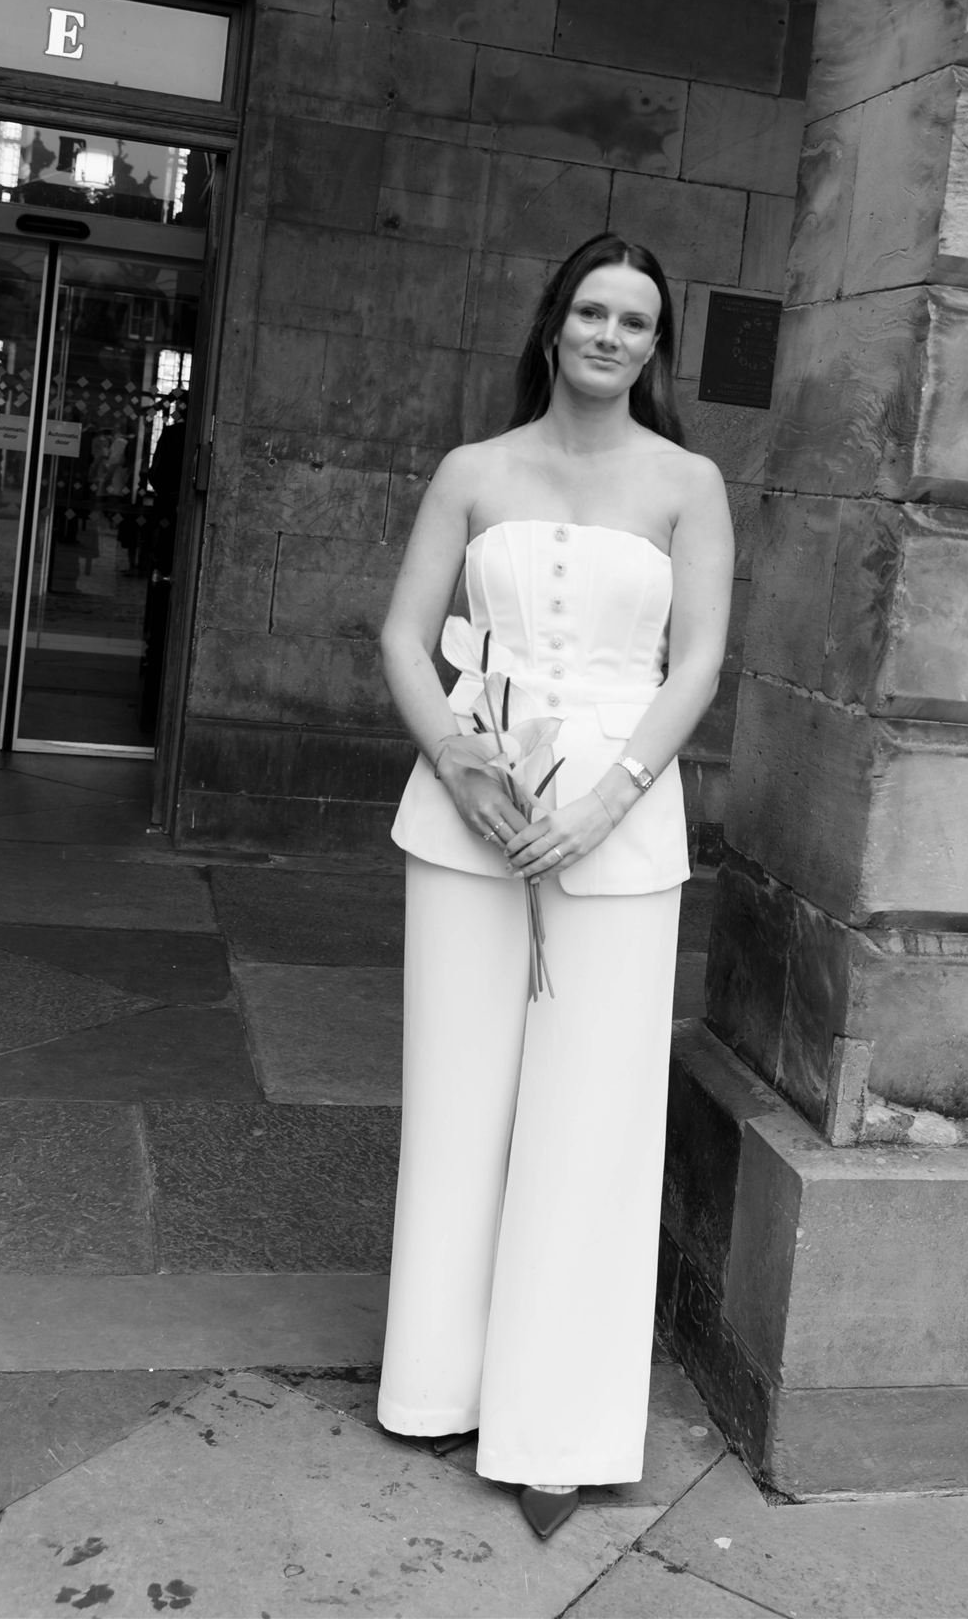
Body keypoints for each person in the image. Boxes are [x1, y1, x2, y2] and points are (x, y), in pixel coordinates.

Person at [377, 232, 734, 1539]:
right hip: (467, 817)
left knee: (592, 1119)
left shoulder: (689, 483)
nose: (608, 334)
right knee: (462, 1098)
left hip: (619, 833)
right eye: (590, 310)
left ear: (655, 347)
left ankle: (563, 1422)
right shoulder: (472, 471)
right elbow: (404, 635)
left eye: (634, 320)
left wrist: (604, 798)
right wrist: (460, 761)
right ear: (551, 325)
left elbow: (693, 663)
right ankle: (439, 1382)